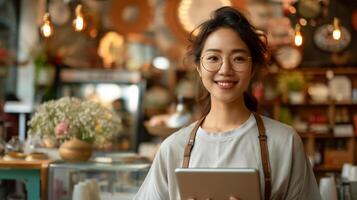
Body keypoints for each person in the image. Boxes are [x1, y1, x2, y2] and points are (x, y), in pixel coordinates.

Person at [134, 6, 321, 200]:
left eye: (239, 58)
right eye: (213, 58)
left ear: (253, 67)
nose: (225, 69)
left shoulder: (285, 142)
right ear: (198, 66)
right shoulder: (173, 148)